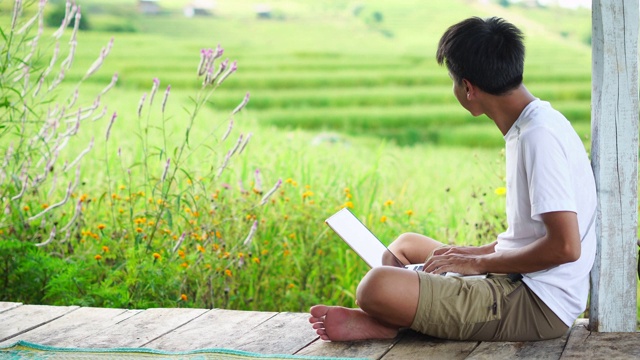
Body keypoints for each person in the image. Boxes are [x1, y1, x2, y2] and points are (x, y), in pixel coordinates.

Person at [308, 16, 597, 342]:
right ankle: (394, 318)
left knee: (376, 286)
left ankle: (389, 322)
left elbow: (565, 247)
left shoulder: (538, 136)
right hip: (516, 279)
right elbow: (529, 237)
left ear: (469, 88)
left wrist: (479, 264)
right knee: (404, 246)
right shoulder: (531, 123)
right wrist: (470, 254)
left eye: (454, 81)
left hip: (535, 302)